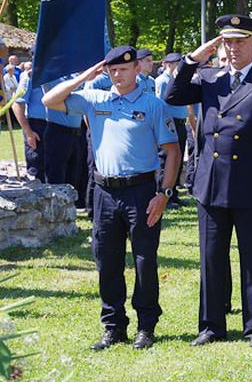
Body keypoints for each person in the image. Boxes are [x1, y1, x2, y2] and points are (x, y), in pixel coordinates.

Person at [165, 14, 252, 348]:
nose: (233, 48)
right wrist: (193, 59)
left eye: (239, 41)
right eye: (228, 42)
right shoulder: (210, 77)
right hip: (211, 183)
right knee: (211, 258)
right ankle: (211, 325)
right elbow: (172, 95)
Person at [41, 46, 180, 351]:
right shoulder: (94, 99)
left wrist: (164, 194)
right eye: (113, 70)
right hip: (104, 192)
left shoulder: (153, 105)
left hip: (141, 191)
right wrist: (84, 77)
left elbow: (172, 151)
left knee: (144, 260)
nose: (118, 75)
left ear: (136, 70)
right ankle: (113, 326)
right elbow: (49, 100)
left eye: (124, 69)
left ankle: (146, 326)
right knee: (106, 260)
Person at [155, 53, 190, 208]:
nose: (179, 66)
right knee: (166, 160)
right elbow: (159, 104)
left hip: (180, 123)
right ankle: (164, 194)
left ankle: (173, 194)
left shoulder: (177, 80)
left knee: (178, 159)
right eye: (176, 63)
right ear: (168, 64)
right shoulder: (162, 81)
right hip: (170, 123)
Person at [12, 68, 48, 181]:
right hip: (37, 126)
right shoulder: (30, 76)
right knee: (37, 170)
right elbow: (17, 105)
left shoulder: (58, 74)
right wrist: (29, 133)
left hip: (56, 125)